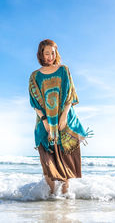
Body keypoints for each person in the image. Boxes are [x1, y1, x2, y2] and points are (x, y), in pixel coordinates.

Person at [28, 39, 93, 198]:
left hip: (65, 120)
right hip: (44, 123)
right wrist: (45, 121)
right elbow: (35, 102)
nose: (50, 56)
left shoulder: (64, 70)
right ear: (41, 54)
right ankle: (51, 198)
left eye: (53, 52)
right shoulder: (34, 76)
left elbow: (70, 96)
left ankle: (64, 198)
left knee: (65, 163)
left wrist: (63, 117)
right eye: (47, 53)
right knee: (47, 164)